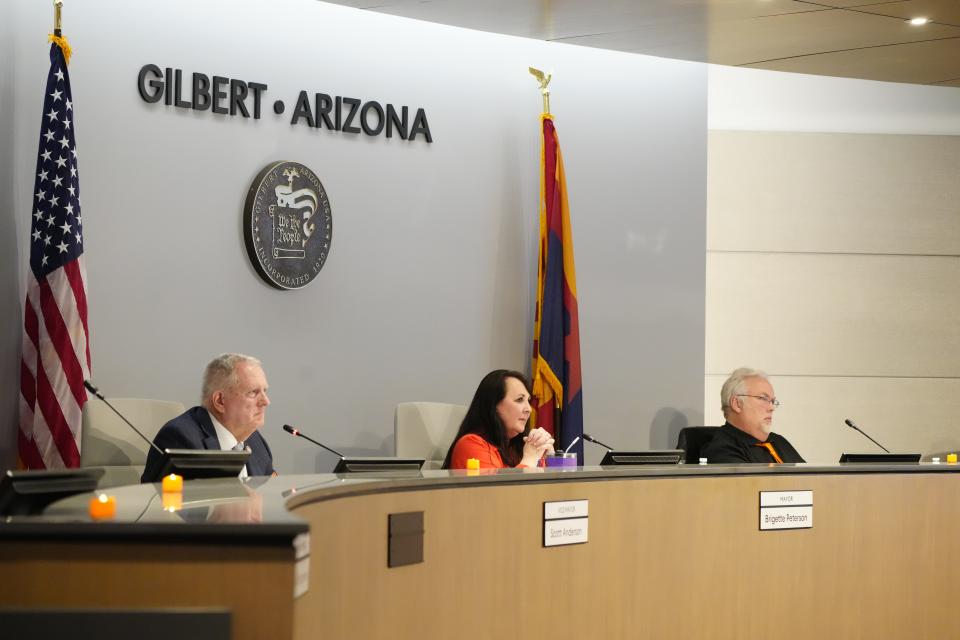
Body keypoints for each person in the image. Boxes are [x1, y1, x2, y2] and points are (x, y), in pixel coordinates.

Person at [141, 353, 276, 482]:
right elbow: (175, 502)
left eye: (265, 391)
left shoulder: (256, 442)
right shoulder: (181, 439)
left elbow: (270, 493)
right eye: (253, 392)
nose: (266, 401)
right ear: (220, 401)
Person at [442, 369, 555, 469]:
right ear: (494, 405)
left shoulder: (517, 446)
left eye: (528, 401)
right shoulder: (470, 444)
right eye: (520, 399)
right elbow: (498, 492)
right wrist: (530, 459)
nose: (529, 409)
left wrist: (549, 460)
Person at [701, 367, 804, 464]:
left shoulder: (778, 441)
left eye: (772, 401)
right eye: (763, 398)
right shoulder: (722, 451)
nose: (772, 408)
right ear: (737, 404)